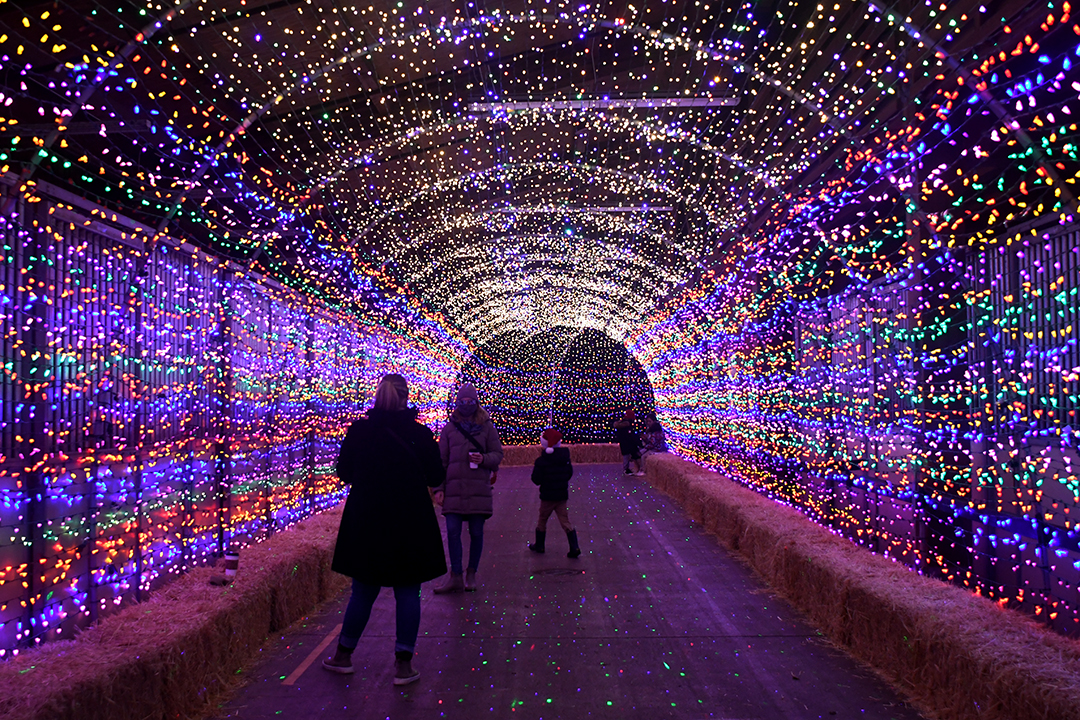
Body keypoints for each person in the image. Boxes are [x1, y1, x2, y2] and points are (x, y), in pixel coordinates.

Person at [323, 374, 446, 686]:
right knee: (408, 590)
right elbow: (435, 475)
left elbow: (344, 472)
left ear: (376, 396)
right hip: (410, 519)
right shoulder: (419, 433)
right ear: (406, 398)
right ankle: (403, 666)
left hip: (368, 519)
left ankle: (343, 656)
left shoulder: (360, 431)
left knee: (363, 590)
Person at [433, 383, 503, 593]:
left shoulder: (487, 427)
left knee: (476, 532)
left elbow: (497, 454)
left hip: (478, 490)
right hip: (454, 490)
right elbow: (441, 461)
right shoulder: (449, 429)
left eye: (469, 402)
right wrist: (439, 488)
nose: (466, 405)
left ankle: (471, 573)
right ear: (457, 404)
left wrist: (483, 458)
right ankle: (455, 574)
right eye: (462, 402)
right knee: (452, 531)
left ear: (476, 403)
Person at [528, 428, 581, 558]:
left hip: (547, 496)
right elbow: (569, 474)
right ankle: (574, 546)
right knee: (565, 521)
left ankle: (540, 545)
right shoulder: (565, 459)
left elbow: (536, 479)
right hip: (561, 495)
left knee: (542, 520)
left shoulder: (541, 461)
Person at [614, 409, 645, 476]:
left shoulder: (621, 425)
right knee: (631, 456)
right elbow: (630, 436)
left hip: (624, 443)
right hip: (628, 443)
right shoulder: (627, 426)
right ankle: (629, 469)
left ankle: (628, 469)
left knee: (627, 456)